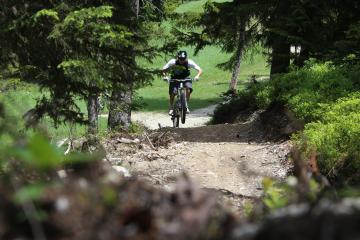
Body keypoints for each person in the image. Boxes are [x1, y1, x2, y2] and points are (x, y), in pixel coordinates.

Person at [162, 50, 202, 115]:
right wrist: (165, 76)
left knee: (188, 89)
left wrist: (197, 76)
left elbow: (199, 70)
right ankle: (171, 107)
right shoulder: (173, 62)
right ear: (178, 57)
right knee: (172, 93)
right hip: (175, 79)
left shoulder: (189, 62)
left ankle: (186, 105)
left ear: (186, 58)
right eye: (180, 59)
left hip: (185, 78)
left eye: (183, 59)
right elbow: (164, 69)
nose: (182, 60)